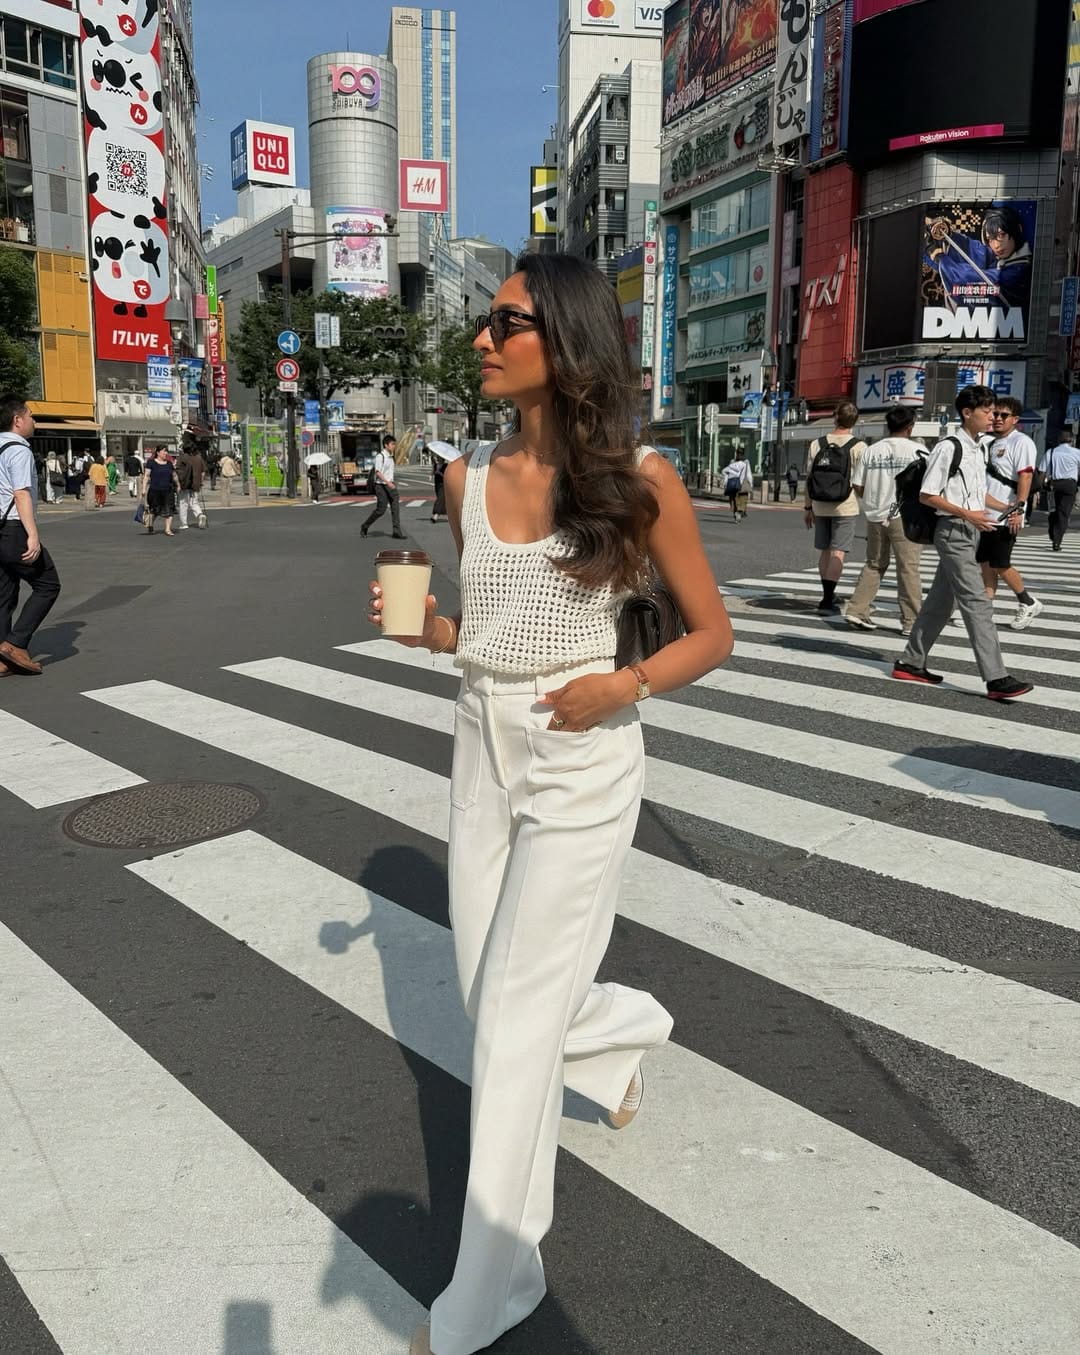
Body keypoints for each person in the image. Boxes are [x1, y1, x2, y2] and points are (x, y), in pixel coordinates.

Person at [369, 252, 733, 1355]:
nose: (481, 340)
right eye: (486, 323)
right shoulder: (466, 476)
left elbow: (713, 633)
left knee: (517, 1026)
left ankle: (493, 1282)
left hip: (583, 753)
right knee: (489, 997)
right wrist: (428, 631)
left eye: (506, 322)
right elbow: (487, 629)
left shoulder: (642, 481)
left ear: (566, 341)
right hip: (480, 741)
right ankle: (619, 1032)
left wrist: (625, 685)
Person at [892, 385, 1033, 700]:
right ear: (967, 413)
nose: (992, 417)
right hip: (953, 530)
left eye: (994, 411)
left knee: (940, 603)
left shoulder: (979, 447)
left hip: (970, 530)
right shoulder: (948, 447)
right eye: (987, 411)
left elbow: (977, 493)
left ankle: (910, 662)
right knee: (977, 602)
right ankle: (996, 678)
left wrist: (1009, 507)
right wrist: (967, 514)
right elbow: (928, 495)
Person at [844, 406, 925, 634]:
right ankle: (911, 621)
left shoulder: (872, 450)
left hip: (876, 515)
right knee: (908, 567)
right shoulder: (918, 451)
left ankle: (857, 609)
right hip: (905, 516)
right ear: (910, 426)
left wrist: (873, 498)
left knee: (875, 563)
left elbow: (857, 484)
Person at [0, 396, 61, 676]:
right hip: (14, 528)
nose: (34, 421)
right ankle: (16, 644)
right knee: (48, 584)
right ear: (18, 420)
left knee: (4, 592)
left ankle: (2, 657)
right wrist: (32, 534)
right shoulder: (19, 450)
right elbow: (21, 493)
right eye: (31, 416)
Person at [980, 397, 1041, 627]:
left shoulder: (1021, 442)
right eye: (995, 414)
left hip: (1007, 515)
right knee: (986, 563)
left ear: (1015, 419)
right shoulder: (990, 442)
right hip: (986, 513)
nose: (997, 418)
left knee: (1000, 563)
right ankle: (985, 609)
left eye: (1003, 415)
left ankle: (1028, 602)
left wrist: (1019, 509)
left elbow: (1025, 475)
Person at [803, 401, 866, 614]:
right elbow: (860, 481)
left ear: (835, 417)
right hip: (845, 506)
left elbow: (809, 478)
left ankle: (826, 593)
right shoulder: (859, 446)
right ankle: (828, 599)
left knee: (825, 551)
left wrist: (808, 507)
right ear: (854, 421)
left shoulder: (817, 444)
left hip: (820, 504)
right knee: (838, 552)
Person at [1039, 430, 1080, 552]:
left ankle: (1053, 527)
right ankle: (1057, 540)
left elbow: (1042, 471)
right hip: (1070, 485)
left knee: (1054, 510)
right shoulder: (1077, 453)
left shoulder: (1051, 452)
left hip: (1054, 485)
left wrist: (1040, 487)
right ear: (1071, 440)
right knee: (1064, 513)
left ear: (1058, 440)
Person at [360, 433, 405, 538]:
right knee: (381, 510)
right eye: (392, 444)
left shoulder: (391, 457)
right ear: (386, 445)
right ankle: (365, 526)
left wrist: (391, 482)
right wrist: (388, 482)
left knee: (395, 507)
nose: (394, 446)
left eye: (394, 444)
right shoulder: (380, 457)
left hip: (390, 485)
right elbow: (378, 472)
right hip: (380, 485)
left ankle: (397, 532)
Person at [142, 444, 178, 536]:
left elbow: (174, 475)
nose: (166, 453)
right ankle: (150, 525)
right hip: (155, 491)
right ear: (158, 453)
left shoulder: (169, 463)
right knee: (154, 510)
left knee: (169, 510)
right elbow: (146, 476)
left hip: (168, 490)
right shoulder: (151, 462)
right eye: (164, 451)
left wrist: (178, 485)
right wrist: (144, 488)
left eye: (166, 451)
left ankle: (168, 529)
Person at [175, 440, 207, 529]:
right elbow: (203, 472)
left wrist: (178, 484)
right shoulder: (199, 458)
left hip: (184, 484)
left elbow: (178, 471)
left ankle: (184, 523)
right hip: (196, 484)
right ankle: (200, 515)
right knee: (194, 502)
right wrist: (201, 482)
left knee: (183, 503)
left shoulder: (182, 458)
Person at [719, 449, 752, 522]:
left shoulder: (732, 462)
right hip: (742, 484)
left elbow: (725, 472)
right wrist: (750, 483)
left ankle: (736, 514)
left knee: (734, 499)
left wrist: (726, 482)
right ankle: (739, 512)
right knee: (743, 498)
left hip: (732, 483)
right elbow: (748, 474)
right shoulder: (746, 462)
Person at [430, 445, 447, 522]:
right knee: (441, 499)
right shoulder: (436, 465)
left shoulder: (446, 466)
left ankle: (435, 515)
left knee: (440, 498)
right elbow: (432, 472)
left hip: (444, 484)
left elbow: (446, 476)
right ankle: (450, 514)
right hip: (437, 484)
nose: (439, 458)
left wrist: (439, 473)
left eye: (440, 457)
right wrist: (432, 473)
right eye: (438, 457)